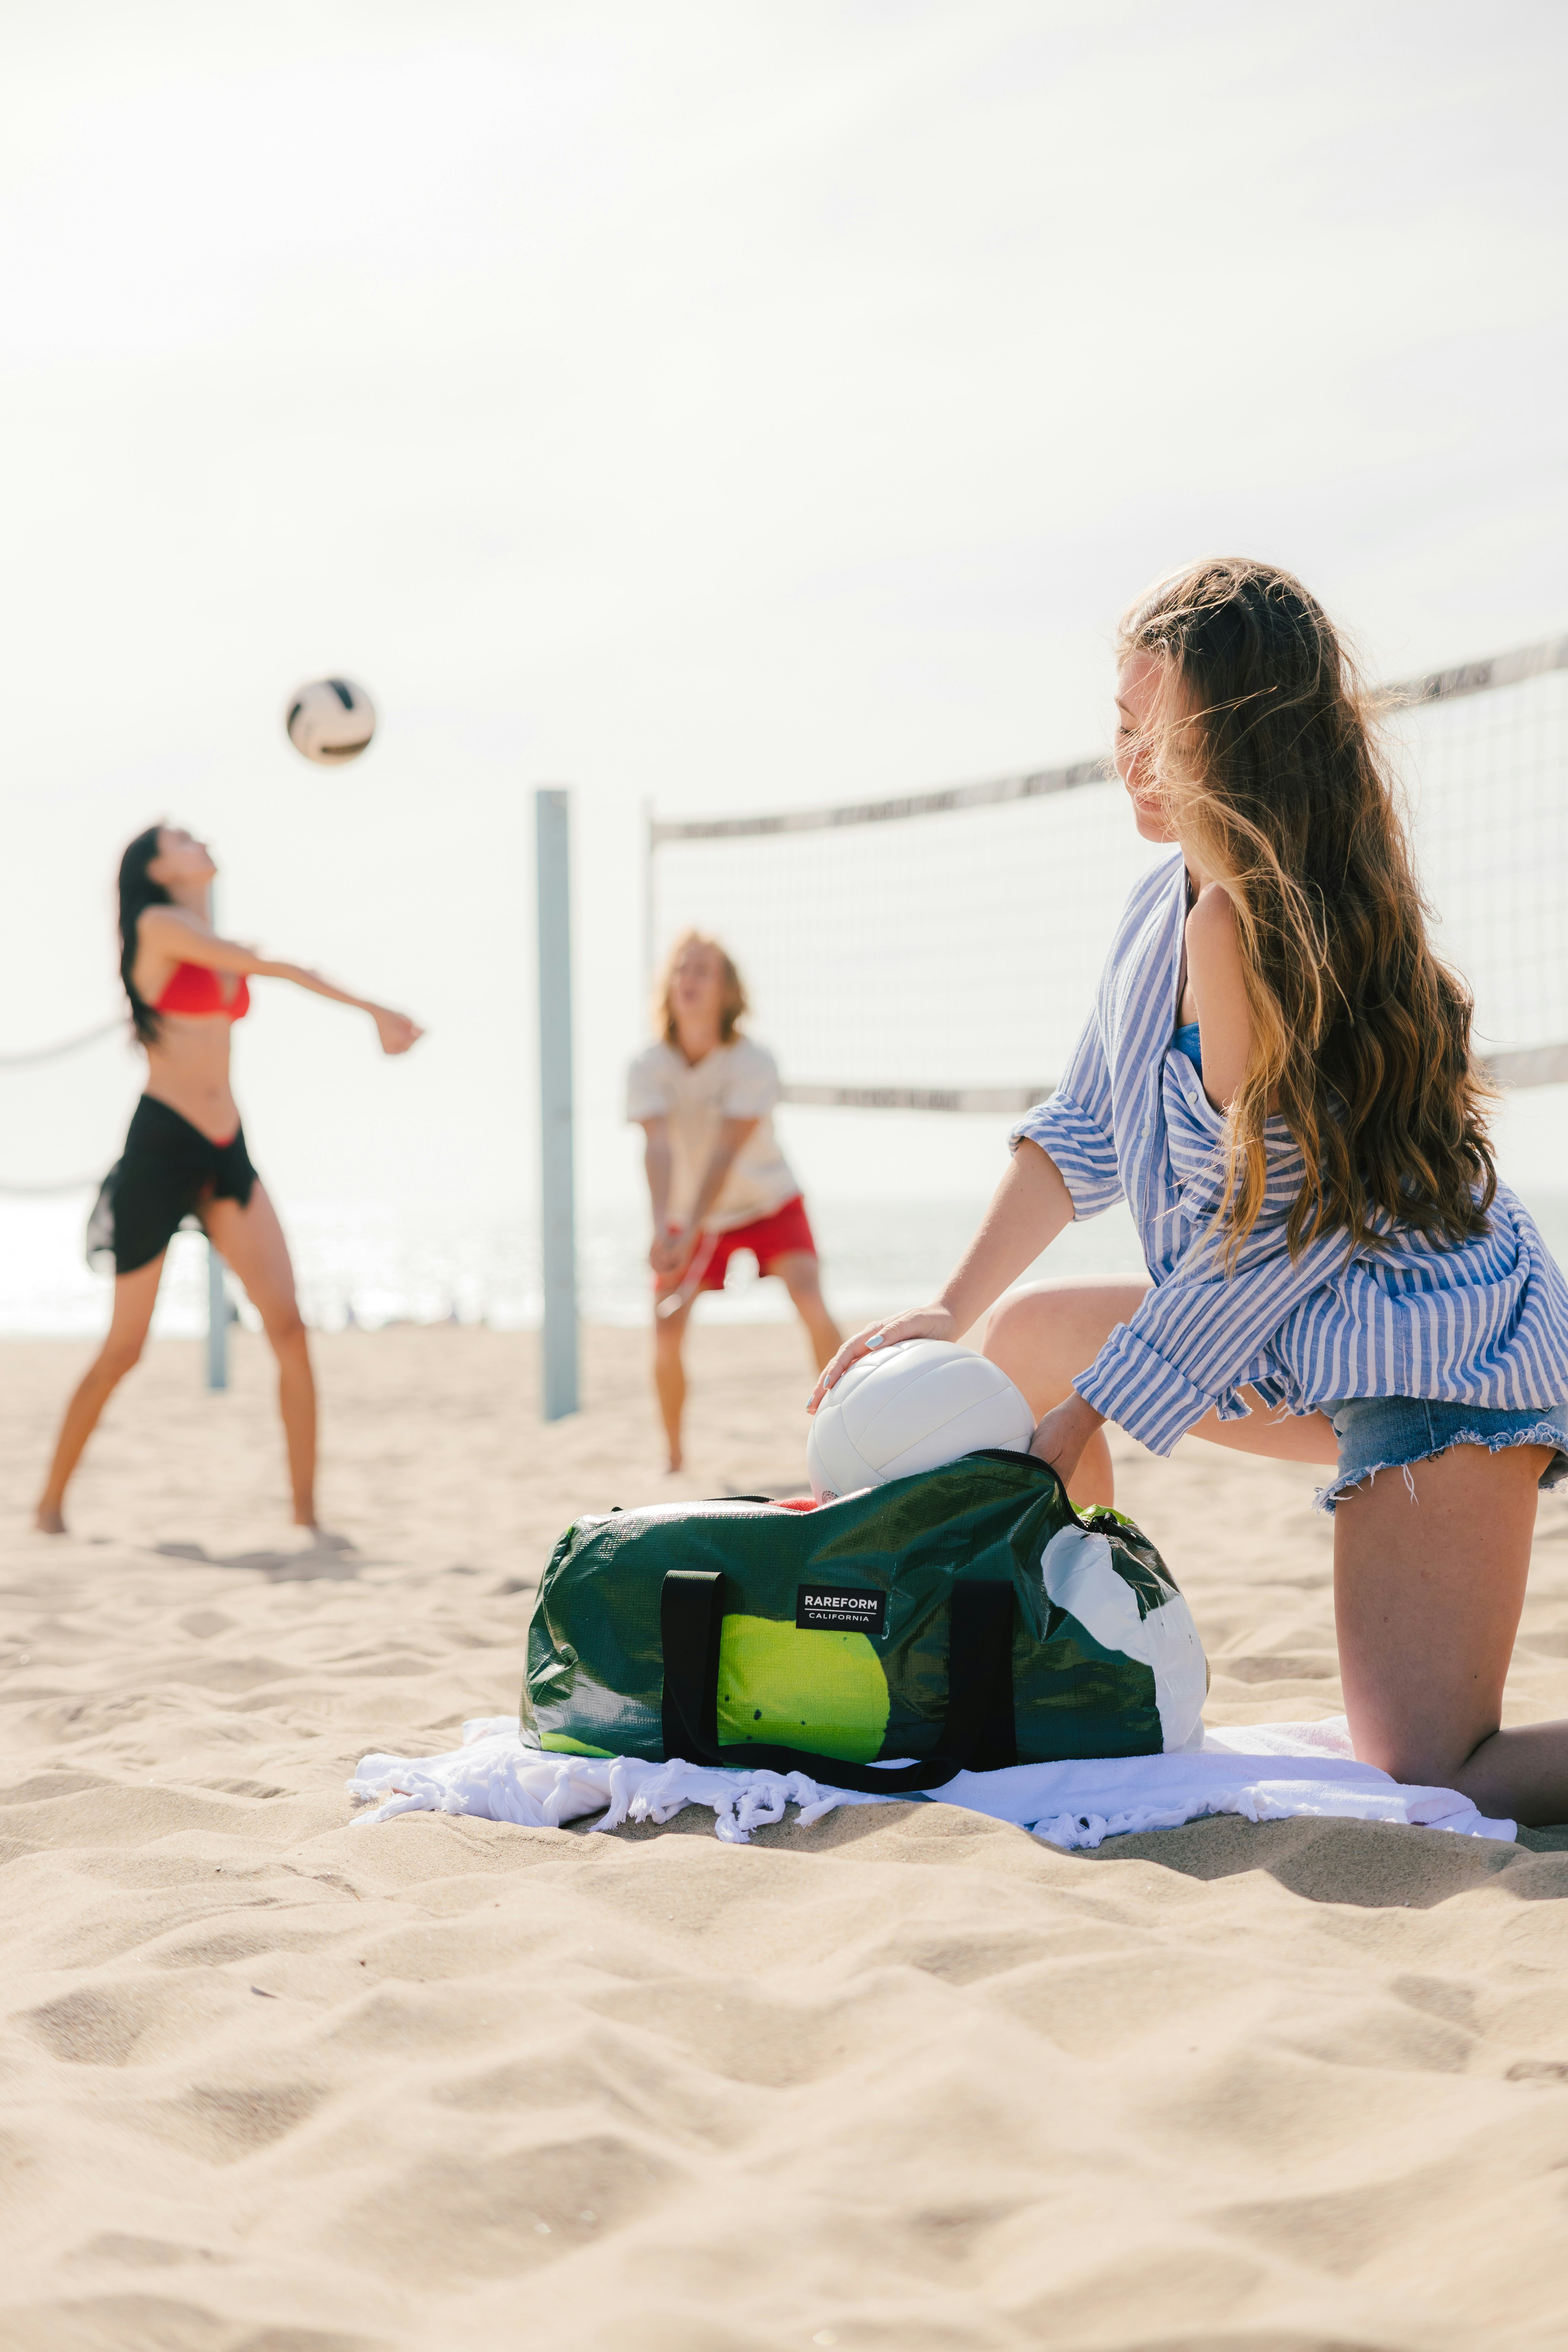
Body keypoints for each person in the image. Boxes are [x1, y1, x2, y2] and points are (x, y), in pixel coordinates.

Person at [812, 558, 1568, 1826]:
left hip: (1437, 1362)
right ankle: (1085, 1663)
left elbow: (1274, 1229)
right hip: (1303, 1339)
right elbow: (1081, 1134)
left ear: (1222, 738)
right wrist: (947, 1310)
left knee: (1431, 1769)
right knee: (1029, 1339)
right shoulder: (1156, 912)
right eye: (1115, 728)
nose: (1123, 758)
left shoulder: (1254, 928)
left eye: (1140, 730)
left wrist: (1095, 1409)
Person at [35, 823, 422, 1535]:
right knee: (125, 1347)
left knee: (289, 1325)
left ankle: (307, 1518)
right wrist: (374, 1009)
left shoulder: (206, 932)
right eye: (182, 838)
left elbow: (257, 963)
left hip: (225, 1146)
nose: (201, 840)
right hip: (163, 1144)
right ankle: (49, 1503)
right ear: (155, 866)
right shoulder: (156, 924)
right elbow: (270, 963)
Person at [629, 931, 840, 1472]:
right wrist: (663, 1227)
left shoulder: (753, 1060)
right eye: (682, 968)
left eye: (703, 970)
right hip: (690, 1214)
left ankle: (842, 1427)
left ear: (728, 992)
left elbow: (725, 1154)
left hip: (768, 1200)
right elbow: (655, 1148)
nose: (689, 979)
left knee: (810, 1299)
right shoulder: (649, 1064)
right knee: (666, 1326)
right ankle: (673, 1459)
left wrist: (687, 1227)